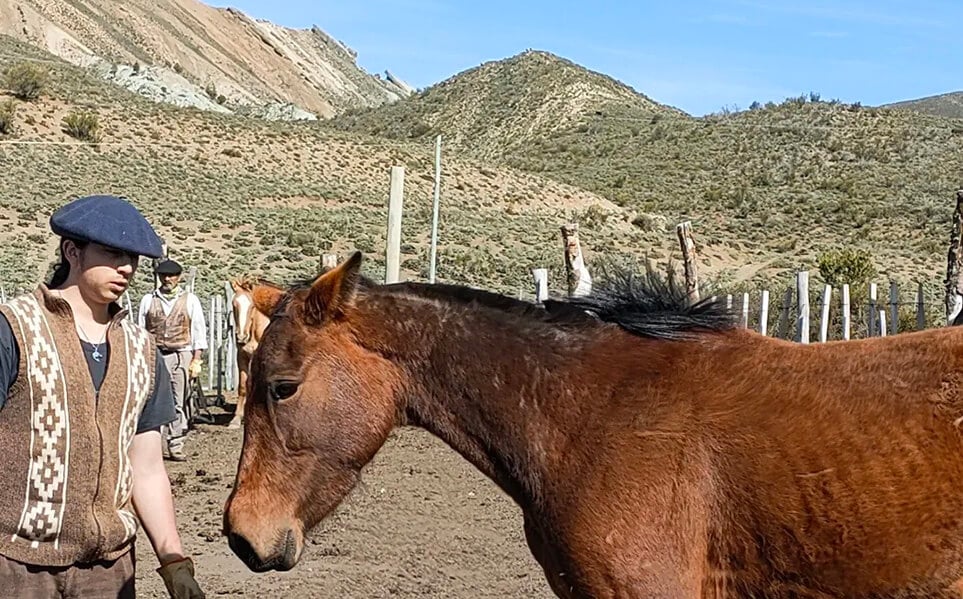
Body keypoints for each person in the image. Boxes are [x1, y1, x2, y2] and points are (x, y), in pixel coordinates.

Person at [0, 194, 205, 598]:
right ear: (72, 251)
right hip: (17, 568)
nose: (126, 267)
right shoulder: (14, 330)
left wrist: (173, 561)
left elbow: (146, 468)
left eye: (132, 257)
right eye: (112, 253)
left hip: (108, 574)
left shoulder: (142, 350)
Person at [137, 258, 208, 462]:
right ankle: (153, 446)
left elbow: (198, 330)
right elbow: (141, 330)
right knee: (153, 400)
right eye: (164, 276)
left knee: (179, 399)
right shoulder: (148, 300)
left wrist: (196, 359)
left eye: (172, 275)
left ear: (178, 277)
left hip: (181, 353)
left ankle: (175, 443)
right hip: (155, 354)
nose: (168, 279)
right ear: (158, 277)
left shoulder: (190, 300)